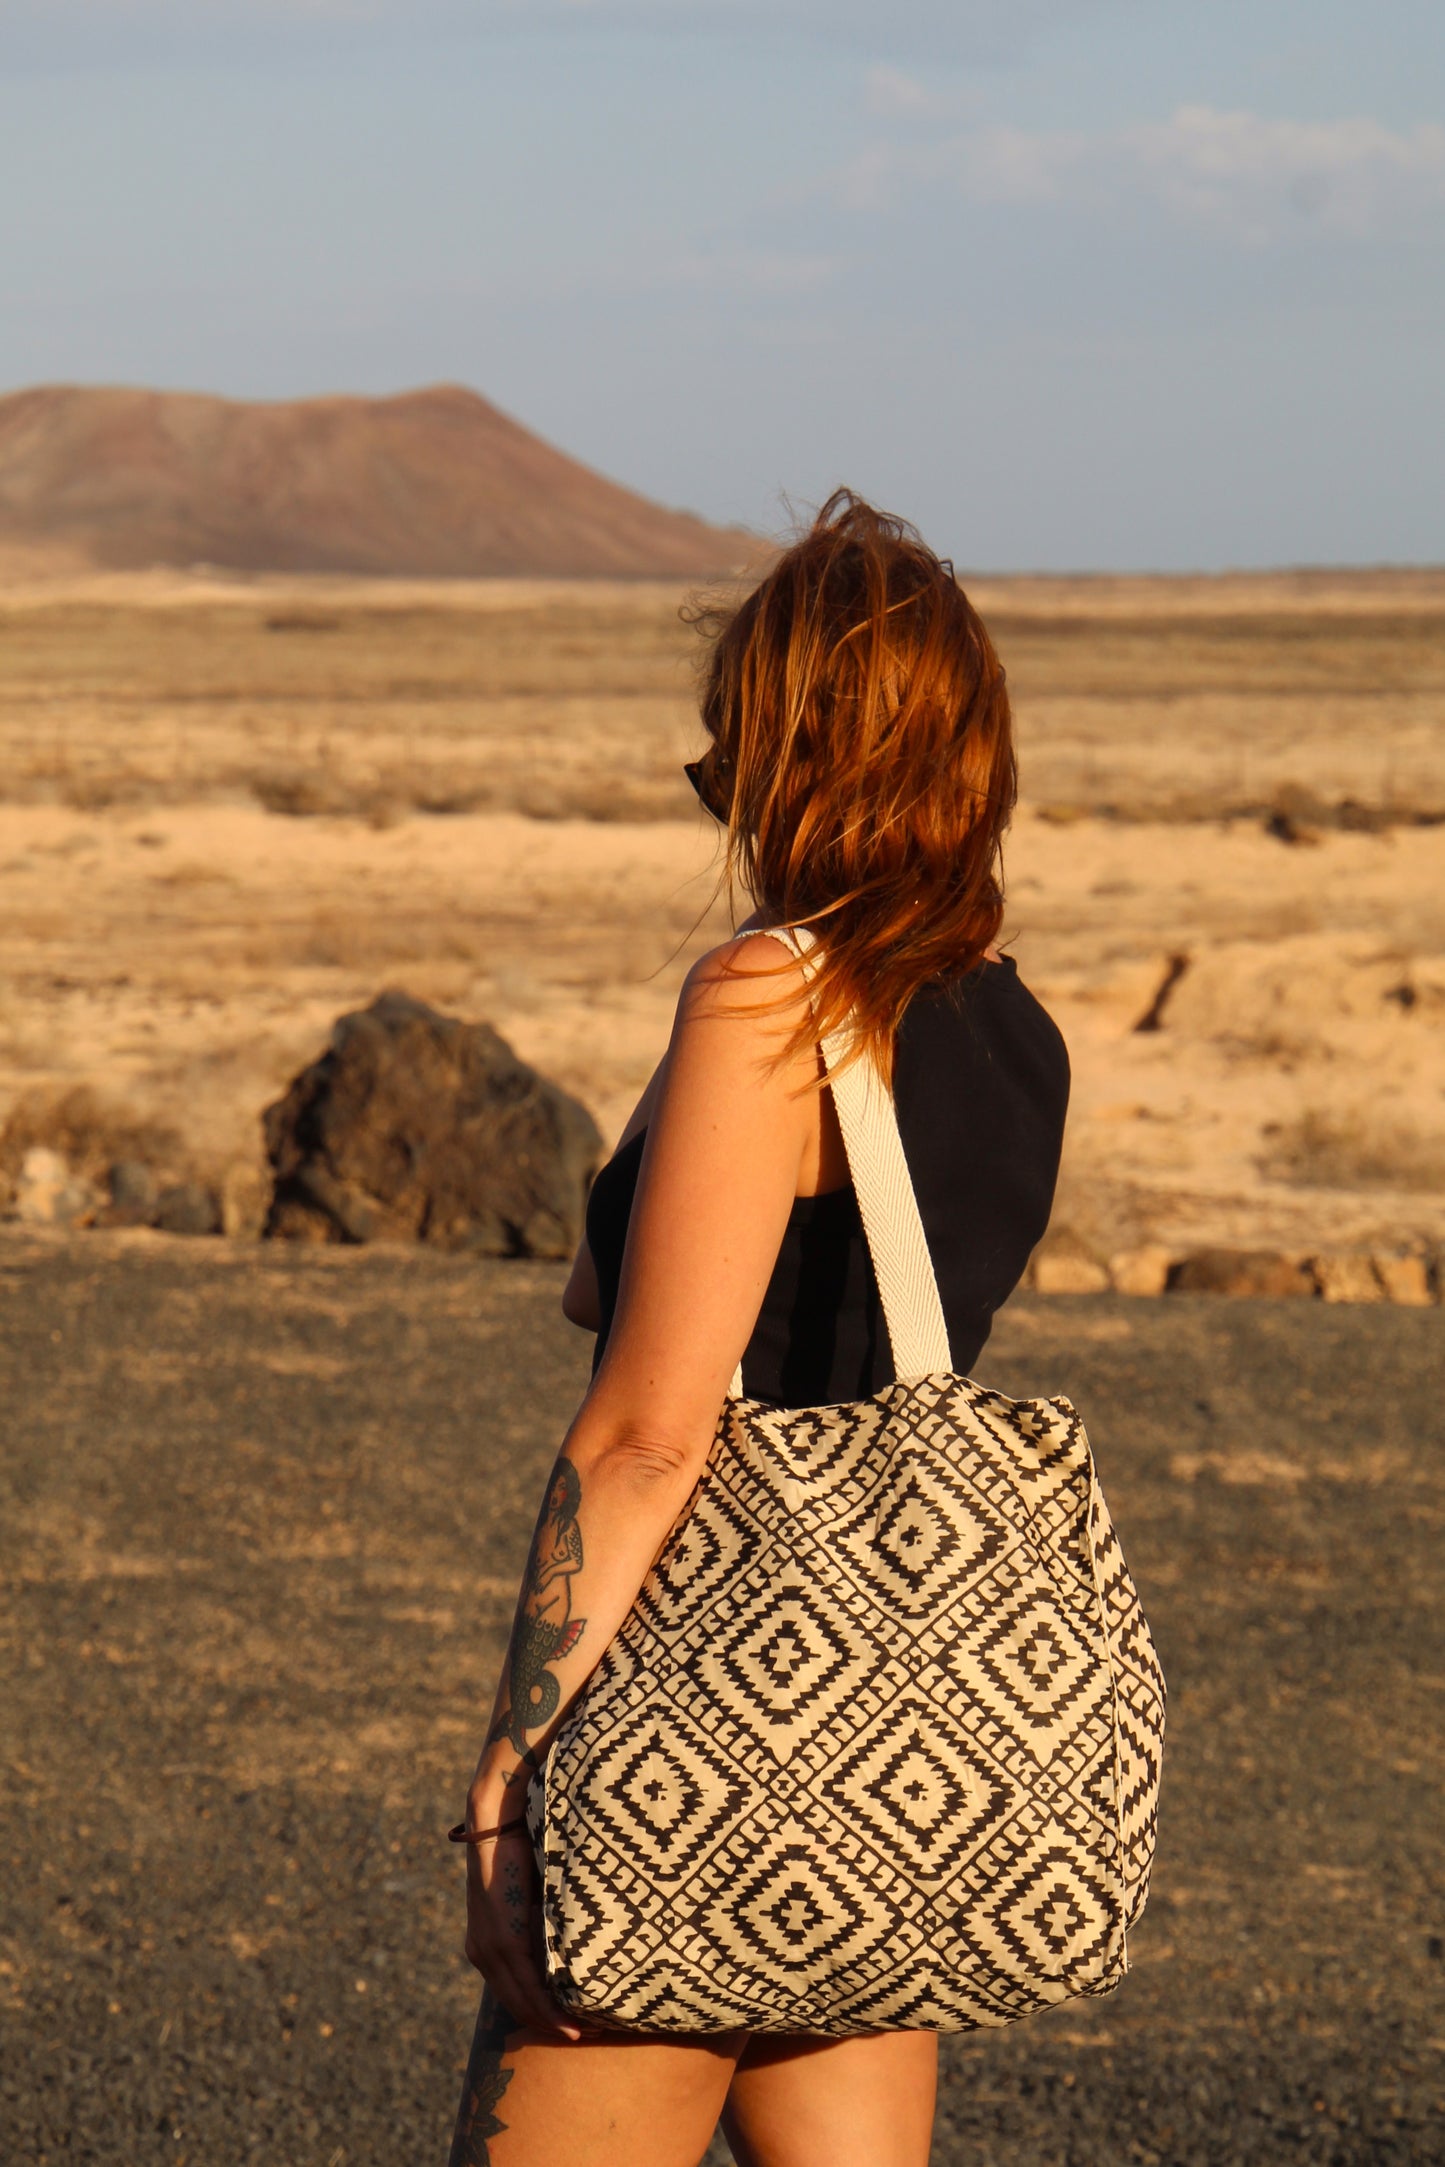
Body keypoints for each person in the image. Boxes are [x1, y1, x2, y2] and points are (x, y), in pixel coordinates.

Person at [449, 490, 1070, 2167]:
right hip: (880, 1746)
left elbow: (648, 1425)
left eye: (732, 742)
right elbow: (623, 1280)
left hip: (698, 1723)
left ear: (789, 755)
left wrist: (509, 1771)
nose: (712, 780)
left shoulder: (770, 1003)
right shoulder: (1007, 1025)